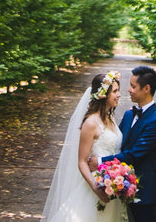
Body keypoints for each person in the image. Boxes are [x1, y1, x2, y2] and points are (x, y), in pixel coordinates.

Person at [42, 71, 127, 221]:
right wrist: (96, 188)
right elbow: (82, 162)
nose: (119, 94)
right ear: (103, 95)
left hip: (113, 185)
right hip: (97, 186)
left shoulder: (110, 117)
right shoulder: (91, 123)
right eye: (115, 91)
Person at [89, 65, 156, 222]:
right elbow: (117, 143)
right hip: (118, 190)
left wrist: (101, 161)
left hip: (145, 196)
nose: (128, 90)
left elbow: (134, 154)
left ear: (146, 88)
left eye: (133, 86)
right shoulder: (129, 114)